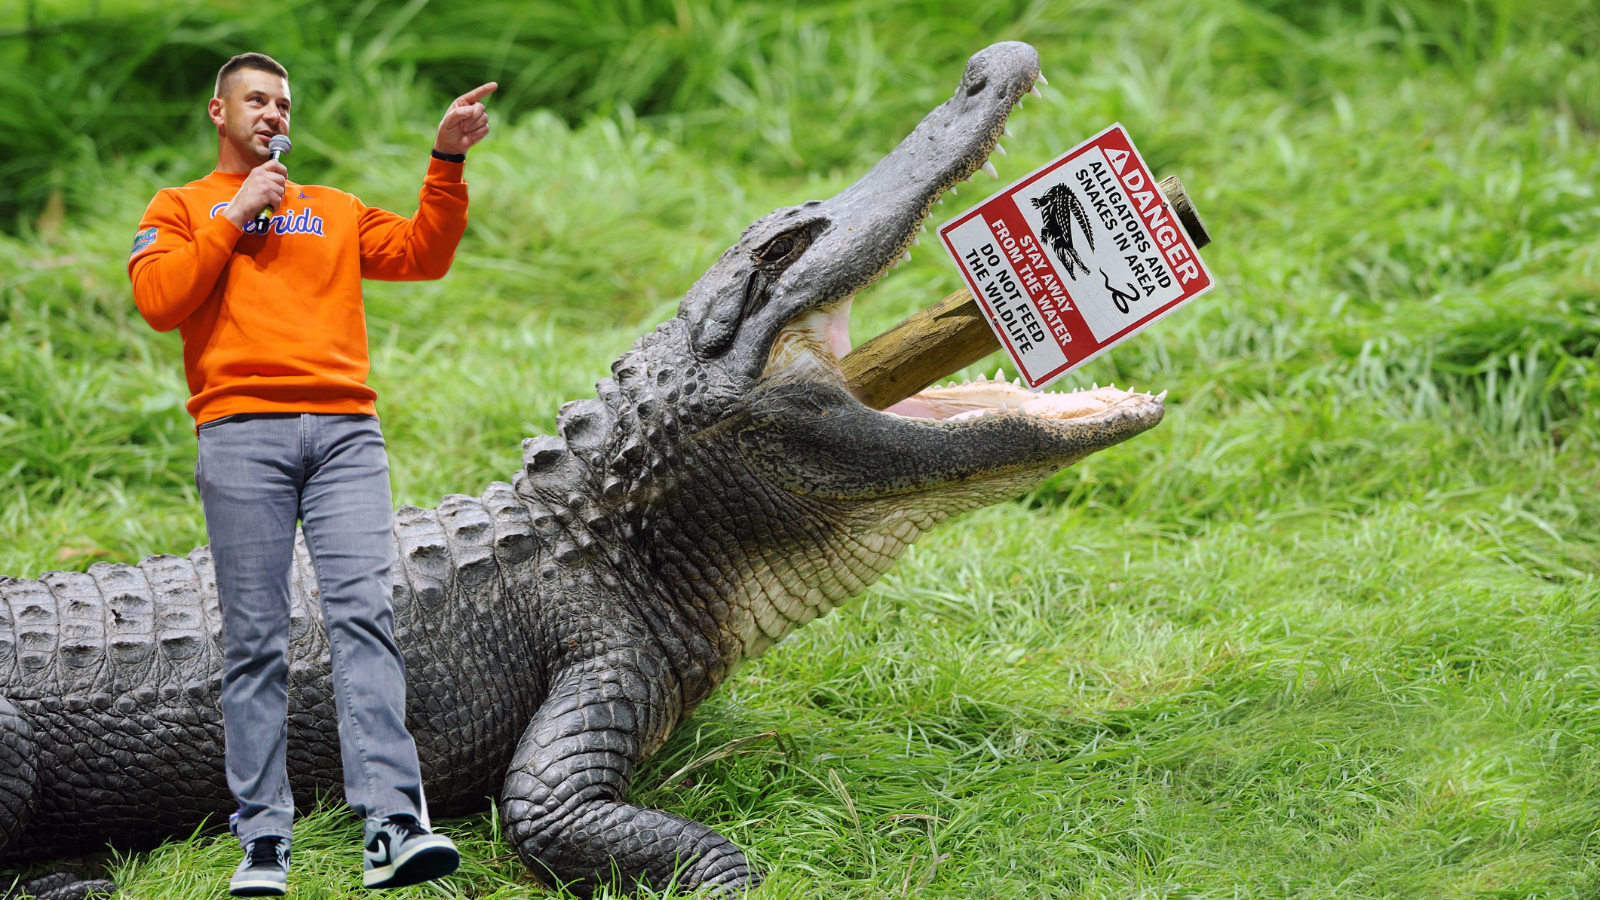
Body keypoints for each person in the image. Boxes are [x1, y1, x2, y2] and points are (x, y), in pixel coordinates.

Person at [126, 52, 495, 897]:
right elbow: (160, 301)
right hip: (239, 434)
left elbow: (423, 254)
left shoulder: (331, 208)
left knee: (364, 616)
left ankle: (394, 824)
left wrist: (446, 162)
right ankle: (263, 840)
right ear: (218, 112)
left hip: (344, 436)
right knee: (255, 639)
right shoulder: (179, 207)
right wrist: (235, 214)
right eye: (256, 99)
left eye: (283, 102)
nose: (272, 112)